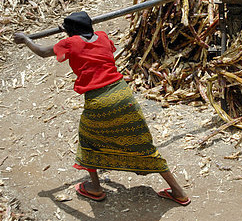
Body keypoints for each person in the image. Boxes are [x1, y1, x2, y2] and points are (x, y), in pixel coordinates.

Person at [13, 12, 190, 206]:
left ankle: (95, 188)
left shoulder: (70, 44)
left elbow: (42, 51)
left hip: (99, 100)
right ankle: (178, 192)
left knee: (88, 140)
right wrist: (72, 34)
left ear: (70, 31)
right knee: (143, 142)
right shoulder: (103, 36)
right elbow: (88, 45)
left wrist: (26, 39)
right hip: (123, 94)